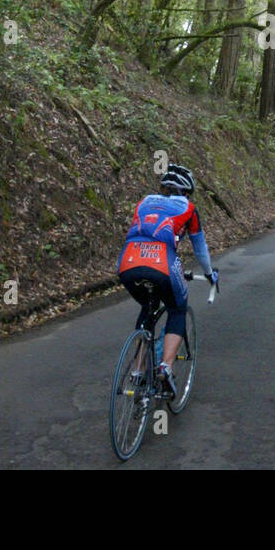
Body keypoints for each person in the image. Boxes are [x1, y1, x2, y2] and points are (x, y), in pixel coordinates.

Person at [116, 163, 217, 398]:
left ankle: (138, 371)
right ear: (186, 192)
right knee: (177, 308)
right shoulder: (188, 208)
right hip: (162, 263)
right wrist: (211, 274)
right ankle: (165, 367)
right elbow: (200, 248)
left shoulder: (144, 202)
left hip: (128, 262)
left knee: (148, 308)